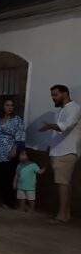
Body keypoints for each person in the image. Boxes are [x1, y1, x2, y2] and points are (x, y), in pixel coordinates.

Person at [39, 84, 80, 224]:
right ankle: (65, 214)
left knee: (63, 184)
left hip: (66, 152)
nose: (53, 98)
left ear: (65, 94)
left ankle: (62, 216)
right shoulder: (61, 111)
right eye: (52, 95)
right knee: (64, 183)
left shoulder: (74, 109)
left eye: (55, 95)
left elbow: (65, 127)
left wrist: (49, 126)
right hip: (58, 152)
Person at [0, 97, 25, 208]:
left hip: (8, 151)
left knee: (7, 176)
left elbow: (20, 136)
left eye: (12, 105)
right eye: (7, 105)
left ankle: (7, 200)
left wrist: (15, 149)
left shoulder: (17, 120)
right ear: (2, 107)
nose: (10, 107)